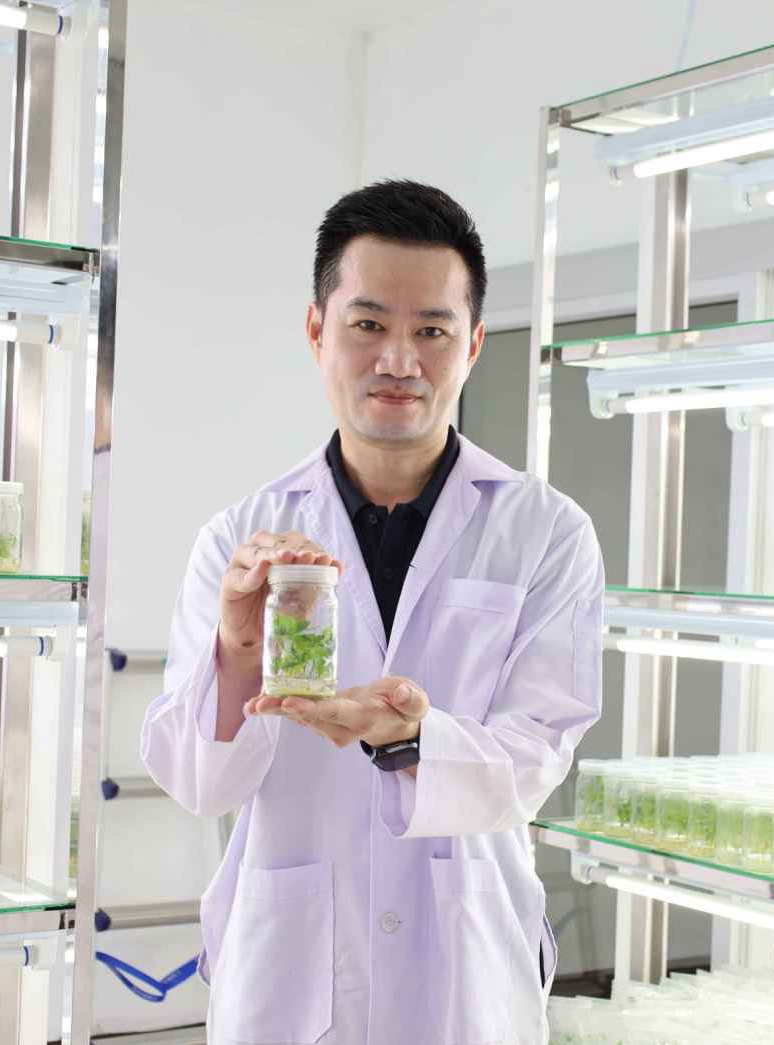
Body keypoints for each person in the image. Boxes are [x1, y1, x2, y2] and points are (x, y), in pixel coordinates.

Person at [141, 180, 604, 1045]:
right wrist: (237, 647)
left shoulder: (545, 532)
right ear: (316, 329)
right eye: (367, 324)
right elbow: (201, 785)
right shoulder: (241, 537)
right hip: (289, 960)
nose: (398, 360)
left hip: (463, 961)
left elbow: (535, 757)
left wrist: (409, 736)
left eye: (431, 330)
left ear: (471, 344)